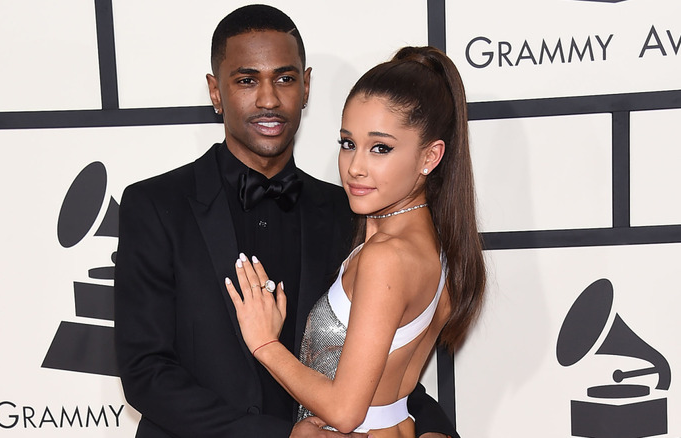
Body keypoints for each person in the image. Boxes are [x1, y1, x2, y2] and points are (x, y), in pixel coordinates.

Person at [114, 4, 457, 438]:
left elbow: (375, 360)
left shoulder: (349, 211)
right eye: (246, 80)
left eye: (285, 78)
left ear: (307, 86)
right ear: (215, 91)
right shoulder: (154, 205)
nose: (269, 98)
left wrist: (433, 428)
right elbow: (145, 372)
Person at [225, 46, 486, 437]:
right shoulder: (438, 244)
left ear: (430, 157)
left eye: (381, 148)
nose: (355, 166)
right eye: (348, 143)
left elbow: (345, 412)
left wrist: (265, 344)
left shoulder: (387, 258)